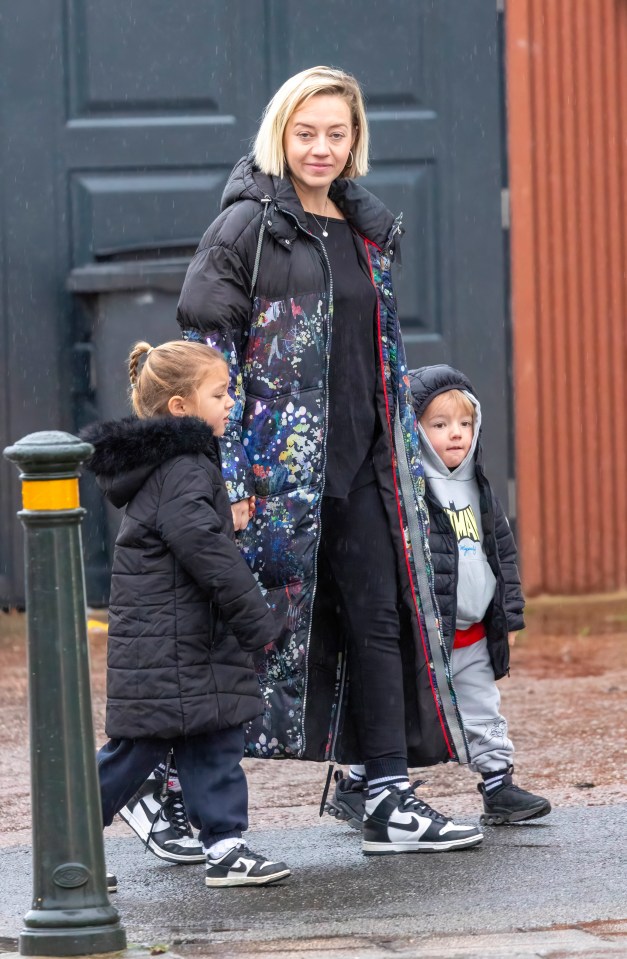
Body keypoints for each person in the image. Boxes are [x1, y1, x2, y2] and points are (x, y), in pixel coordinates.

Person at [123, 65, 482, 856]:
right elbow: (208, 357)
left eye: (336, 132)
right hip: (270, 480)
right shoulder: (246, 228)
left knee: (378, 620)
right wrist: (227, 475)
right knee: (239, 636)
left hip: (364, 465)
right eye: (305, 132)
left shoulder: (363, 226)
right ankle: (160, 787)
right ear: (279, 133)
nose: (320, 148)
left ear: (355, 139)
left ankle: (383, 791)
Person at [80, 340, 291, 887]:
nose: (230, 404)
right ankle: (68, 844)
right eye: (219, 394)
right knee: (142, 748)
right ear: (180, 406)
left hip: (184, 637)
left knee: (214, 734)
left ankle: (224, 845)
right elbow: (206, 548)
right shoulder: (185, 467)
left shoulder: (171, 464)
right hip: (172, 641)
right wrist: (257, 618)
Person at [327, 364, 551, 828]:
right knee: (399, 711)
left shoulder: (480, 488)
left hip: (471, 634)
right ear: (415, 429)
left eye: (465, 424)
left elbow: (500, 555)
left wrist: (506, 614)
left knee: (483, 710)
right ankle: (358, 781)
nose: (456, 435)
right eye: (441, 424)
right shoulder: (410, 492)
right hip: (424, 639)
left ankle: (498, 784)